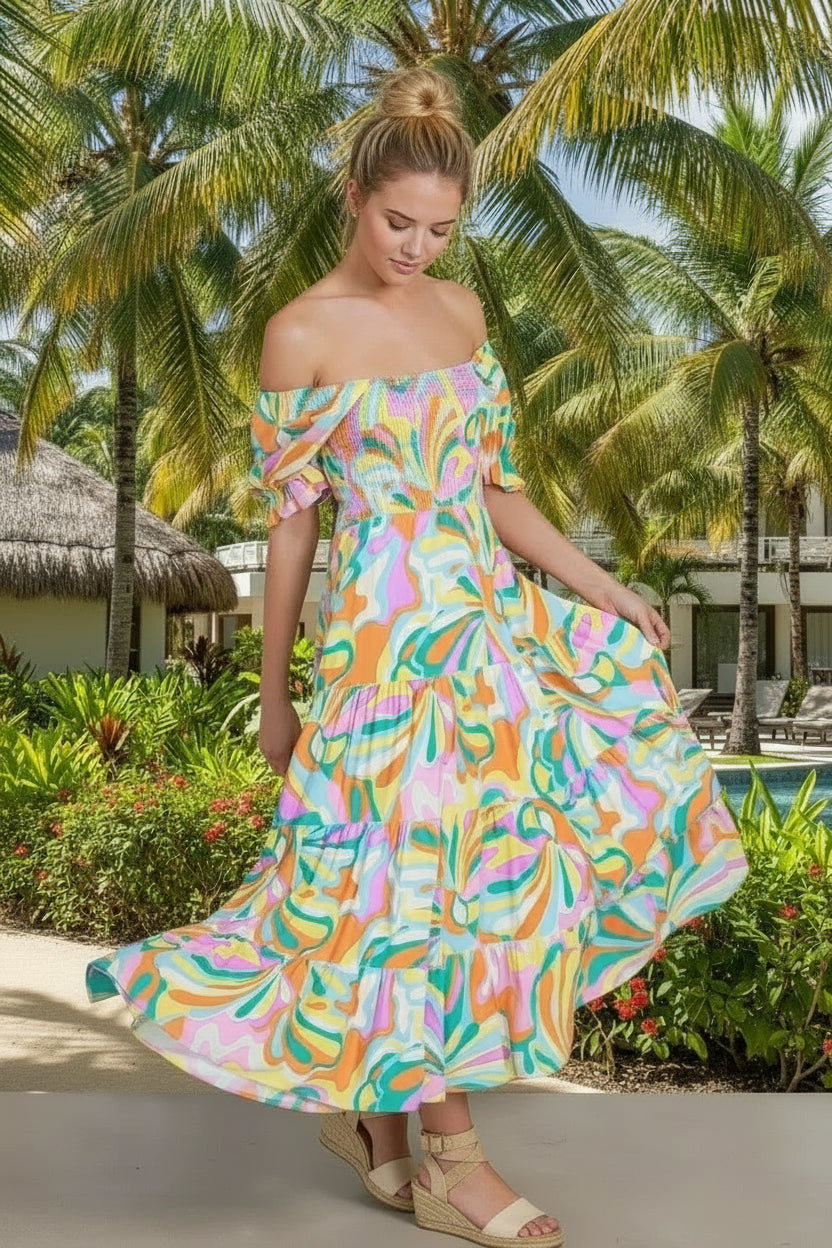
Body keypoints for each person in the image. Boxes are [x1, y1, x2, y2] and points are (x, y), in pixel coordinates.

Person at [86, 65, 749, 1248]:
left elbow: (496, 491)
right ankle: (451, 1158)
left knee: (484, 873)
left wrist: (601, 584)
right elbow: (294, 532)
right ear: (352, 195)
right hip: (384, 652)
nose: (418, 245)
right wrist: (274, 693)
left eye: (442, 228)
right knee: (401, 892)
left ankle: (381, 1129)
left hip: (487, 638)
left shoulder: (461, 315)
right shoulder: (298, 336)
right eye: (399, 221)